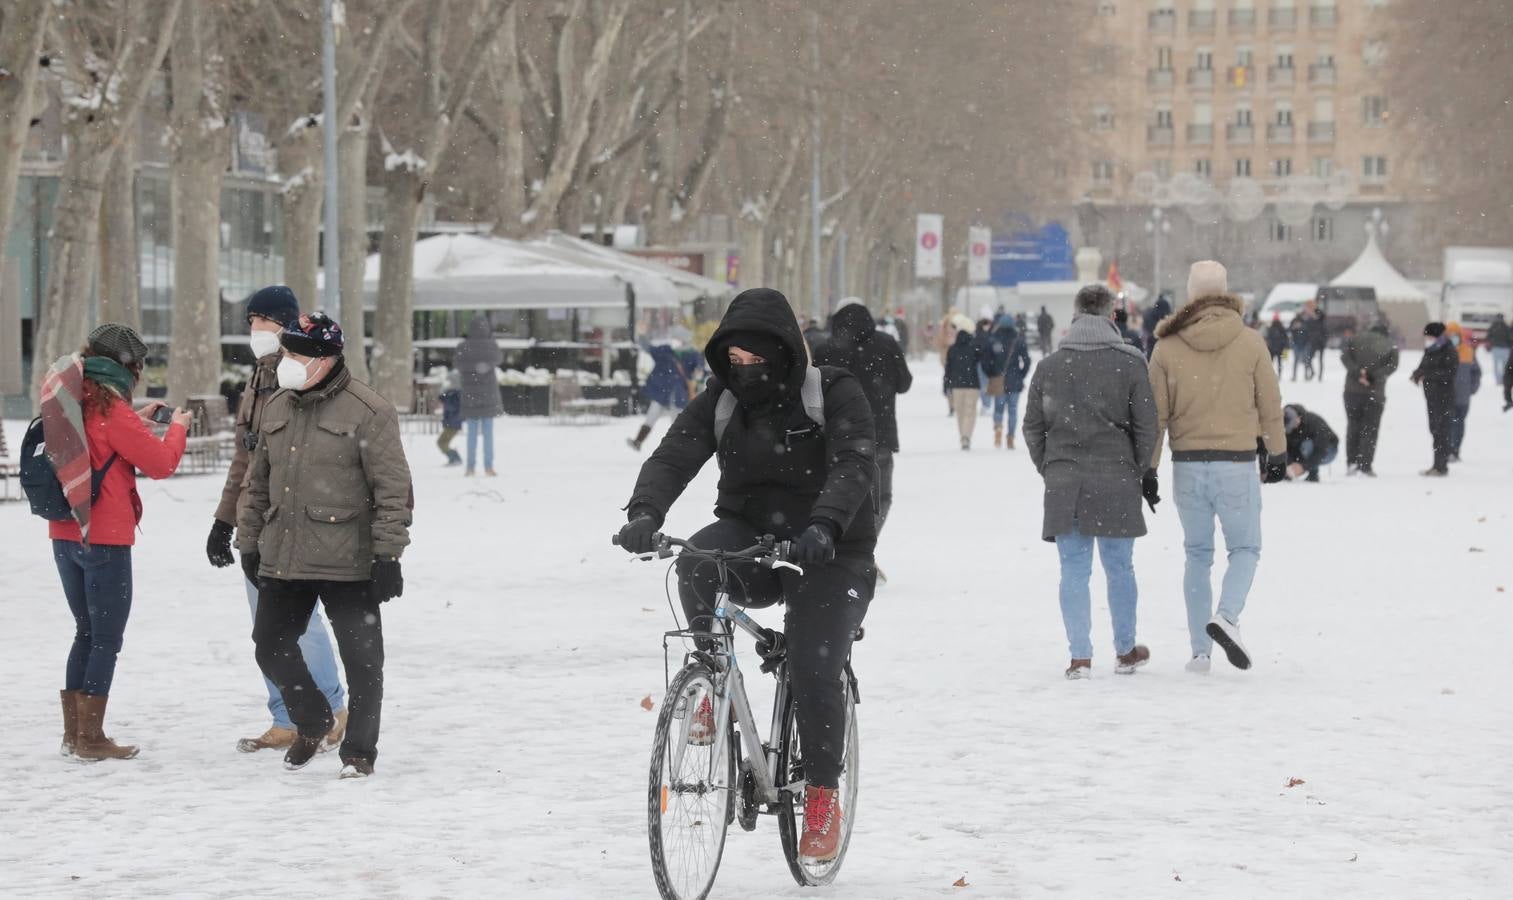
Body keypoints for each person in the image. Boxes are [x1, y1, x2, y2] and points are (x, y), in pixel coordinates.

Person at [617, 287, 877, 864]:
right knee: (695, 565)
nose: (745, 372)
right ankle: (711, 679)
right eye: (733, 362)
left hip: (832, 550)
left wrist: (825, 527)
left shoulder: (833, 392)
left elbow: (855, 465)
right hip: (752, 537)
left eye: (756, 362)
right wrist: (644, 511)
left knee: (813, 667)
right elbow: (674, 454)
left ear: (786, 353)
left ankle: (821, 797)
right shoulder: (722, 400)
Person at [239, 313, 413, 778]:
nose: (287, 363)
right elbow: (257, 485)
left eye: (297, 355)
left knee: (362, 661)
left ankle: (358, 752)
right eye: (287, 353)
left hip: (350, 560)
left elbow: (393, 490)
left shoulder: (369, 411)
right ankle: (313, 719)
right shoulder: (277, 406)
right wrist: (249, 541)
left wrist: (388, 554)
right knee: (270, 646)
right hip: (285, 552)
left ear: (325, 359)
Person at [206, 286, 348, 755]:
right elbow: (244, 458)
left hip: (293, 516)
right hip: (256, 520)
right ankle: (286, 714)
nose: (253, 330)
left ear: (285, 323)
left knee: (299, 621)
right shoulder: (258, 377)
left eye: (261, 320)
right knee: (266, 626)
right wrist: (225, 521)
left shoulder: (303, 372)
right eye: (250, 322)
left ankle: (330, 706)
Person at [42, 324, 191, 760]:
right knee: (107, 637)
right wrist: (177, 427)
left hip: (64, 532)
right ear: (130, 367)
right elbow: (162, 464)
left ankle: (74, 734)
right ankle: (92, 739)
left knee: (85, 631)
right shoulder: (112, 409)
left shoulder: (72, 399)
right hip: (103, 538)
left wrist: (138, 423)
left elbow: (97, 445)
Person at [1149, 261, 1286, 674]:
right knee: (1245, 548)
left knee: (1197, 554)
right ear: (1226, 291)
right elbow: (1270, 405)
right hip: (1236, 463)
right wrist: (1276, 453)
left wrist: (1148, 469)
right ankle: (1226, 616)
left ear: (1190, 294)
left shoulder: (1167, 347)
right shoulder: (1250, 343)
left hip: (1188, 465)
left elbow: (1155, 416)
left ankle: (1199, 652)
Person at [1023, 285, 1158, 680]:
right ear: (1112, 315)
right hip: (1116, 475)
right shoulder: (1130, 363)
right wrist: (1137, 469)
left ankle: (1080, 656)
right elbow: (1147, 428)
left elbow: (1033, 426)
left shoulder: (1049, 366)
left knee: (1073, 570)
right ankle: (1125, 649)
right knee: (1120, 568)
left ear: (1076, 316)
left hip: (1066, 480)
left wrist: (1049, 466)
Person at [813, 298, 912, 534]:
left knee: (837, 497)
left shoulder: (826, 349)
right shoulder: (887, 343)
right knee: (880, 497)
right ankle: (866, 545)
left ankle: (844, 547)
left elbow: (812, 394)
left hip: (836, 438)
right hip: (879, 435)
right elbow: (904, 383)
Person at [1339, 318, 1399, 476]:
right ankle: (1365, 465)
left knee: (1353, 426)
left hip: (1352, 392)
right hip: (1375, 394)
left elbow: (1344, 357)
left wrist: (1358, 373)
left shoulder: (1355, 339)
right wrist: (1373, 377)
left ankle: (1351, 463)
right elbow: (1392, 366)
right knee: (1370, 429)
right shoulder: (1390, 344)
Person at [454, 314, 502, 476]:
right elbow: (498, 359)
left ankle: (470, 467)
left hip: (470, 395)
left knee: (472, 434)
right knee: (488, 433)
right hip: (489, 395)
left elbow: (457, 364)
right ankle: (489, 467)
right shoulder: (492, 345)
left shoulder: (463, 346)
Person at [1410, 322, 1458, 477]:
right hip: (1431, 397)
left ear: (1437, 336)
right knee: (1435, 431)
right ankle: (1437, 465)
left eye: (1429, 336)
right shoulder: (1431, 350)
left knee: (1441, 432)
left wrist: (1428, 375)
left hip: (1444, 397)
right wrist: (1417, 373)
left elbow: (1449, 373)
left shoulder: (1449, 350)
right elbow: (1424, 366)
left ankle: (1441, 466)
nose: (1427, 339)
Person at [628, 342, 690, 451]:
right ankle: (638, 441)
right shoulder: (667, 354)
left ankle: (681, 448)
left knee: (677, 424)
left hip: (674, 396)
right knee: (653, 418)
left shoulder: (683, 356)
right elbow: (651, 349)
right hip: (664, 395)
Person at [988, 314, 1032, 449]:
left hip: (998, 379)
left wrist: (992, 372)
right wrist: (1021, 374)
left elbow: (988, 359)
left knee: (999, 409)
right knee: (1012, 410)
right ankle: (1011, 437)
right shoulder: (1018, 339)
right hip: (1014, 379)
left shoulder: (994, 339)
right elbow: (1026, 360)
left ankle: (998, 428)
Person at [1444, 322, 1482, 462]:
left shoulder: (1468, 351)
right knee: (1450, 424)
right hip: (1448, 396)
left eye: (1455, 335)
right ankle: (1449, 450)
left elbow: (1476, 372)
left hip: (1463, 397)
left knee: (1459, 424)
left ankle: (1455, 450)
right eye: (1450, 335)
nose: (1452, 338)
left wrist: (1472, 387)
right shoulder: (1443, 351)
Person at [944, 314, 982, 449]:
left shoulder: (952, 350)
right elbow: (980, 362)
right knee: (970, 412)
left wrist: (946, 386)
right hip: (972, 385)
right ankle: (966, 436)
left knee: (960, 412)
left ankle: (963, 436)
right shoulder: (974, 349)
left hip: (956, 385)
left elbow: (948, 369)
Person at [1282, 403, 1339, 482]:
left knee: (1307, 445)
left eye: (1293, 425)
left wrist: (1303, 467)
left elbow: (1321, 450)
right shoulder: (1285, 425)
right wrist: (1290, 465)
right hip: (1305, 451)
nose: (1292, 428)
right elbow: (1287, 448)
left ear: (1298, 418)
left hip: (1328, 450)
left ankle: (1313, 473)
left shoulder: (1314, 422)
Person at [437, 370, 463, 466]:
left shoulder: (455, 394)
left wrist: (444, 397)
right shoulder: (452, 393)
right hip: (451, 423)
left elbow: (452, 407)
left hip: (453, 423)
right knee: (442, 442)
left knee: (441, 442)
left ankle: (455, 458)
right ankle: (454, 458)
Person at [1141, 292, 1171, 359]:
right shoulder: (1168, 321)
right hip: (1166, 352)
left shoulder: (1149, 318)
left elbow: (1145, 334)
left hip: (1152, 350)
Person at [1289, 310, 1315, 381]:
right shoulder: (1294, 321)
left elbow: (1309, 332)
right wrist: (1294, 328)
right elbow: (1290, 330)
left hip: (1304, 343)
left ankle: (1305, 375)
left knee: (1304, 360)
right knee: (1297, 360)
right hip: (1297, 344)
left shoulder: (1305, 322)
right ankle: (1295, 376)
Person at [1487, 313, 1511, 387]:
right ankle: (1504, 379)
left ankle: (1498, 380)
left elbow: (1488, 336)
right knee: (1505, 365)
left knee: (1496, 365)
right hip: (1505, 349)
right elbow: (1510, 337)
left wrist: (1492, 343)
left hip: (1496, 348)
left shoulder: (1493, 326)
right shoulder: (1506, 326)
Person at [1306, 302, 1328, 379]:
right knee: (1309, 359)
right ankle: (1313, 372)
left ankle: (1320, 376)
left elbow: (1326, 333)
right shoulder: (1312, 322)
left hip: (1320, 343)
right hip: (1314, 343)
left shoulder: (1322, 323)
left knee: (1320, 360)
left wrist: (1323, 341)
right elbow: (1308, 331)